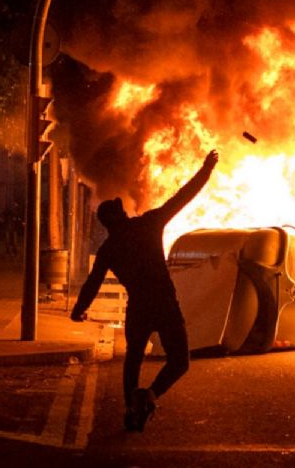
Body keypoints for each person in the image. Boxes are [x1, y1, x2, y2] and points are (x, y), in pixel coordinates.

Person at [71, 150, 218, 432]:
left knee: (134, 359)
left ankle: (131, 406)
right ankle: (149, 396)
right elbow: (183, 197)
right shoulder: (149, 224)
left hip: (138, 308)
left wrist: (79, 310)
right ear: (121, 214)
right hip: (165, 304)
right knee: (180, 361)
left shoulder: (108, 249)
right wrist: (206, 169)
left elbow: (92, 283)